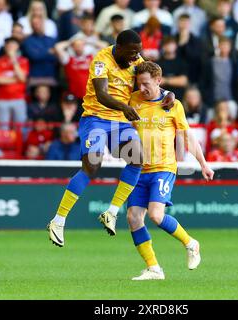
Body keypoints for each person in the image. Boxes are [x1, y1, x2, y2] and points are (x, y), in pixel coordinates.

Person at [47, 30, 175, 247]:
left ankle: (111, 212)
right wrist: (124, 106)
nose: (136, 56)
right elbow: (101, 94)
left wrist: (168, 94)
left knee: (137, 159)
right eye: (132, 52)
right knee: (92, 166)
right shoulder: (101, 60)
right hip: (96, 118)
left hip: (119, 122)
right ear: (119, 47)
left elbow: (151, 82)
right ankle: (58, 221)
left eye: (139, 52)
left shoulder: (136, 60)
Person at [127, 61, 214, 280]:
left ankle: (191, 243)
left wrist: (203, 163)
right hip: (138, 169)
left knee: (156, 215)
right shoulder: (134, 99)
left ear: (158, 80)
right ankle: (154, 268)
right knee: (133, 217)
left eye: (147, 83)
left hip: (163, 168)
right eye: (139, 84)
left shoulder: (173, 105)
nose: (143, 88)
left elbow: (186, 137)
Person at [0, 37, 29, 129]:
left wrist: (14, 60)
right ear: (5, 47)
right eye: (8, 44)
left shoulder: (23, 61)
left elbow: (22, 78)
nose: (10, 47)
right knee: (3, 127)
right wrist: (16, 79)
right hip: (2, 99)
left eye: (13, 44)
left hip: (19, 99)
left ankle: (20, 144)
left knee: (20, 127)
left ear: (17, 46)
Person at [158, 36, 188, 101]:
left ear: (176, 45)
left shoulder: (181, 62)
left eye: (171, 43)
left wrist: (166, 80)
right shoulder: (158, 63)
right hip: (162, 98)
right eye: (166, 44)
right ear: (163, 46)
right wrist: (175, 80)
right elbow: (156, 82)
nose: (169, 46)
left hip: (180, 97)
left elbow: (183, 81)